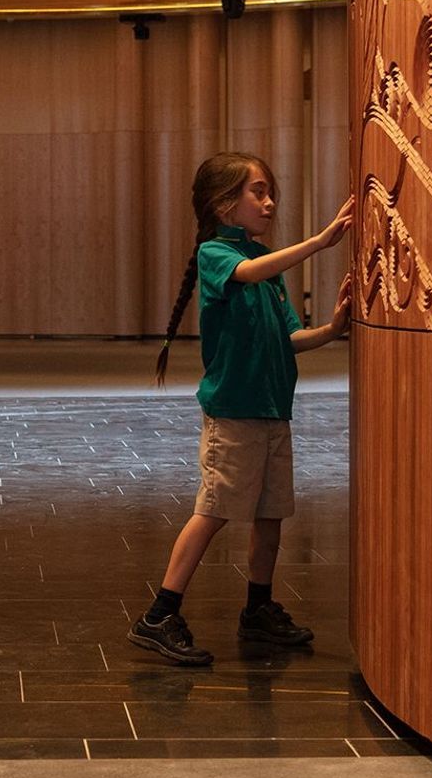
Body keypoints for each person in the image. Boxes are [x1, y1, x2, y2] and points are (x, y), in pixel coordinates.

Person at [129, 153, 354, 667]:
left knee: (270, 514)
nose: (269, 201)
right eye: (258, 191)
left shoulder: (266, 267)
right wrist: (319, 243)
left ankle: (258, 607)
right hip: (234, 411)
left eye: (270, 190)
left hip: (274, 410)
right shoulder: (218, 254)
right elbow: (248, 271)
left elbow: (290, 337)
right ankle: (160, 614)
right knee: (213, 512)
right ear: (223, 204)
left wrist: (334, 329)